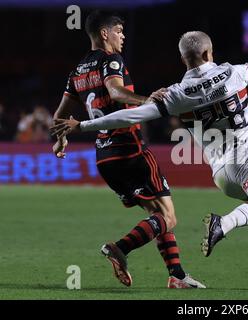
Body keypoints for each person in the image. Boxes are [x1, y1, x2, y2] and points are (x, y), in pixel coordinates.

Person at [52, 31, 248, 268]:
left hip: (222, 174)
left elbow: (129, 115)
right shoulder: (234, 73)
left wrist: (83, 127)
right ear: (207, 54)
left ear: (183, 59)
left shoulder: (176, 94)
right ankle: (223, 224)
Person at [51, 11, 205, 289]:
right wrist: (149, 101)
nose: (122, 35)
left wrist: (61, 139)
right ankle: (119, 248)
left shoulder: (77, 70)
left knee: (157, 215)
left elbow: (59, 116)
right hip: (130, 149)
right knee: (169, 217)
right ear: (104, 34)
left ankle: (177, 276)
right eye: (118, 30)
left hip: (105, 157)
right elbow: (117, 93)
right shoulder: (111, 60)